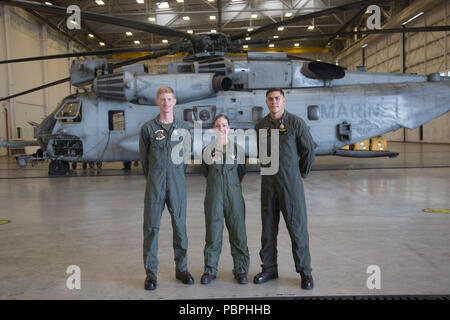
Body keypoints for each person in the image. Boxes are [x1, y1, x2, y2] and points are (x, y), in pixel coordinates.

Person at [253, 88, 316, 290]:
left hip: (290, 184)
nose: (274, 102)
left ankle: (305, 272)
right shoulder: (261, 126)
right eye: (270, 99)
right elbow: (263, 154)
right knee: (268, 228)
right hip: (269, 184)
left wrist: (301, 174)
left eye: (277, 98)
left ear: (284, 100)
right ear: (266, 102)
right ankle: (269, 268)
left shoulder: (296, 123)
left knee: (297, 228)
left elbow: (308, 150)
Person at [139, 86, 194, 290]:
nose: (166, 103)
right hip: (155, 184)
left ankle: (182, 269)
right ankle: (151, 274)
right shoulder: (148, 129)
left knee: (180, 227)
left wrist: (176, 174)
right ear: (157, 102)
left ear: (175, 101)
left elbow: (185, 156)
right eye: (162, 99)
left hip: (177, 184)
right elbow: (144, 161)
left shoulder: (185, 128)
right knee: (151, 228)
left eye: (169, 99)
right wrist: (156, 177)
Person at [200, 114, 250, 285]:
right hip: (214, 196)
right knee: (213, 233)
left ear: (229, 128)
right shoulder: (207, 151)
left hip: (234, 195)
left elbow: (241, 171)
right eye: (218, 125)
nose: (221, 128)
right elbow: (207, 172)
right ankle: (210, 270)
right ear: (214, 129)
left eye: (224, 125)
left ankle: (241, 270)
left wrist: (231, 185)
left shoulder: (239, 150)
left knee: (238, 232)